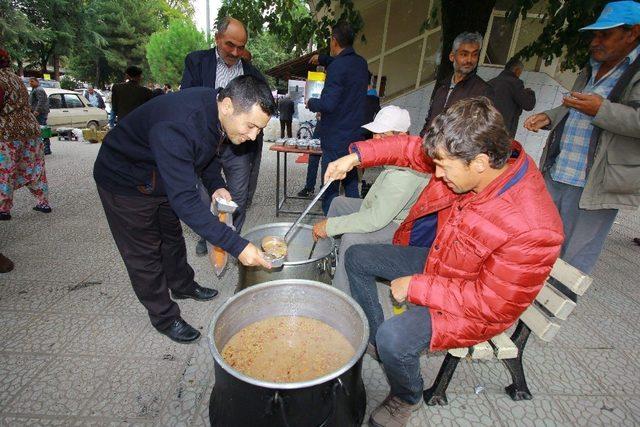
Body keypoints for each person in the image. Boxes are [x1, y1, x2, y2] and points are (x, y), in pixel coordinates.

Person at [325, 97, 564, 427]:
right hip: (447, 261)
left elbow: (491, 305)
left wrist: (419, 286)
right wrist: (355, 157)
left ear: (478, 163)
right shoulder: (477, 163)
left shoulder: (533, 226)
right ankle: (377, 338)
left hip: (478, 307)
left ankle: (407, 395)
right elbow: (413, 151)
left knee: (395, 338)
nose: (435, 174)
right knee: (357, 256)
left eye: (443, 168)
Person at [93, 75, 275, 344]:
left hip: (161, 174)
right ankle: (164, 316)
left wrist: (215, 184)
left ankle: (182, 285)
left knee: (171, 237)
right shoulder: (178, 125)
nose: (253, 136)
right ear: (227, 105)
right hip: (125, 181)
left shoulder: (214, 110)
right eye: (250, 126)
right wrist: (238, 246)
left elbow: (204, 152)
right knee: (145, 253)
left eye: (259, 130)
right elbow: (186, 203)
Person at [524, 1, 640, 294]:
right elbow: (575, 106)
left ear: (633, 33)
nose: (595, 42)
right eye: (595, 35)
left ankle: (547, 317)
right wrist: (549, 117)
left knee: (574, 261)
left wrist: (602, 109)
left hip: (596, 183)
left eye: (605, 35)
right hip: (559, 171)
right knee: (540, 244)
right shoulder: (591, 68)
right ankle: (525, 308)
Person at [311, 106, 429, 295]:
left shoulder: (405, 174)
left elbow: (375, 219)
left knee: (352, 239)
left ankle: (340, 293)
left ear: (402, 135)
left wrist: (330, 226)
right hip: (382, 209)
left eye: (382, 135)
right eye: (374, 134)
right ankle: (326, 257)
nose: (376, 140)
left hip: (398, 224)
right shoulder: (399, 157)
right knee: (338, 203)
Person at [181, 17, 268, 252]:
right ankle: (207, 234)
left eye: (242, 47)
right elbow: (188, 99)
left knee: (237, 192)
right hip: (205, 139)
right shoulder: (197, 62)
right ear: (217, 38)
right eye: (230, 44)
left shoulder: (253, 73)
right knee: (203, 190)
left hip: (237, 146)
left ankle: (230, 238)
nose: (236, 51)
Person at [308, 21, 369, 214]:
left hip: (335, 137)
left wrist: (311, 102)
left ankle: (329, 226)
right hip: (355, 134)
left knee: (330, 184)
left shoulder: (337, 67)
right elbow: (344, 66)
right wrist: (323, 59)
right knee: (351, 182)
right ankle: (355, 221)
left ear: (334, 41)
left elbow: (328, 104)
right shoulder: (361, 63)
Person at [1, 50, 52, 221]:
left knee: (5, 170)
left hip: (7, 132)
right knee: (35, 167)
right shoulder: (17, 79)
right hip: (30, 128)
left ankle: (3, 208)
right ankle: (43, 202)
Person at [419, 32, 493, 137]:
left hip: (455, 151)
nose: (469, 60)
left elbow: (483, 131)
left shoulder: (483, 91)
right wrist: (421, 140)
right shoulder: (443, 86)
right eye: (464, 54)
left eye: (474, 55)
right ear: (452, 56)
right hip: (430, 148)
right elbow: (429, 120)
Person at [488, 57, 536, 137]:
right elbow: (528, 105)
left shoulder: (491, 82)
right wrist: (530, 93)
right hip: (504, 130)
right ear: (517, 71)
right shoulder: (515, 83)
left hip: (487, 127)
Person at [297, 114, 322, 197]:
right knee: (313, 158)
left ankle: (326, 190)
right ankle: (309, 187)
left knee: (328, 162)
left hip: (334, 126)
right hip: (321, 125)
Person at [28, 77, 51, 155]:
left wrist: (37, 111)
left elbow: (41, 101)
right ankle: (43, 147)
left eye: (32, 81)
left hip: (40, 113)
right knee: (40, 129)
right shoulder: (35, 89)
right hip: (39, 112)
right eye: (30, 82)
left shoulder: (39, 89)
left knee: (43, 129)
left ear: (37, 82)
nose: (30, 83)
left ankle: (46, 148)